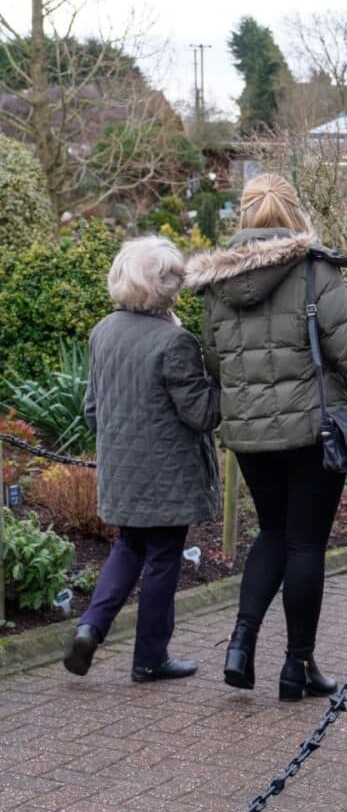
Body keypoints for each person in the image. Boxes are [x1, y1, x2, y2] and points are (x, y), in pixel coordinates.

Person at [185, 172, 347, 702]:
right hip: (314, 432)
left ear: (245, 217)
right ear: (295, 213)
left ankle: (240, 646)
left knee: (272, 533)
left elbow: (214, 360)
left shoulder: (214, 284)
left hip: (249, 436)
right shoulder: (315, 269)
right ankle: (297, 668)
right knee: (304, 545)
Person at [64, 237, 220, 682]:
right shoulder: (175, 342)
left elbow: (93, 410)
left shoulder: (102, 332)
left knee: (128, 546)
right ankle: (150, 658)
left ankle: (90, 628)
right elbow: (202, 414)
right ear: (165, 288)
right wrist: (225, 381)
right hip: (168, 476)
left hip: (121, 472)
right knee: (163, 557)